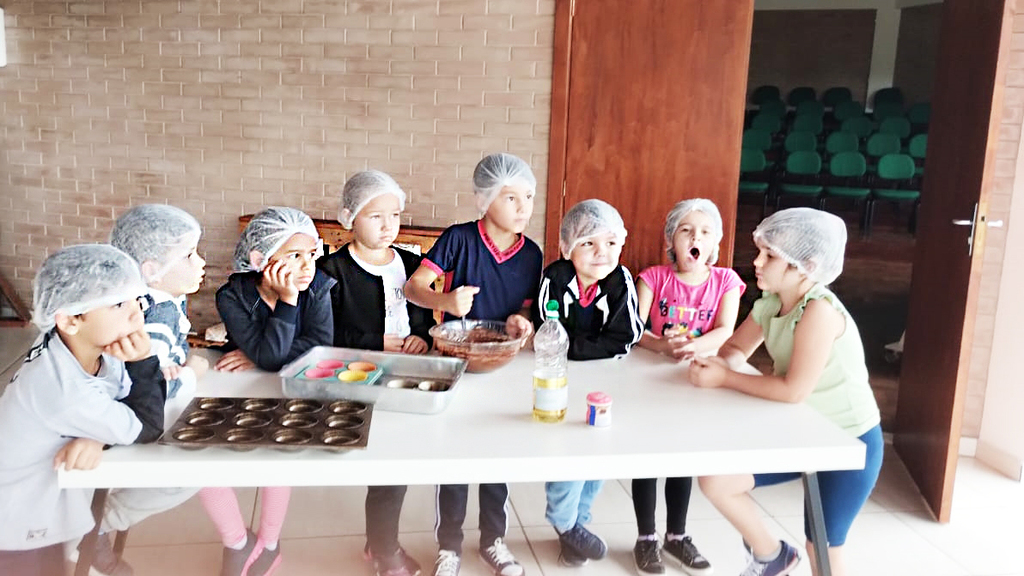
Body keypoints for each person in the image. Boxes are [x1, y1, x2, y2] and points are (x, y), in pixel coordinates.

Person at [689, 207, 883, 576]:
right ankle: (771, 556)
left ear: (805, 265)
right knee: (716, 480)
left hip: (849, 442)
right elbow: (734, 351)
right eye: (760, 251)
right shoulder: (772, 302)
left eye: (770, 256)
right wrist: (715, 365)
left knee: (822, 545)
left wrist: (725, 379)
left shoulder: (819, 312)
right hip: (802, 432)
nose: (756, 262)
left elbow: (793, 390)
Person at [404, 152, 542, 576]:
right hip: (455, 361)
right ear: (484, 200)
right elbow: (414, 287)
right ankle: (449, 546)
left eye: (529, 197)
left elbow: (529, 310)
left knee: (498, 454)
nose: (524, 208)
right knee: (455, 457)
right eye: (511, 198)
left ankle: (494, 541)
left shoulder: (531, 254)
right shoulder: (459, 239)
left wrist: (526, 322)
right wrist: (443, 300)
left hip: (502, 365)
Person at [0, 244, 169, 576]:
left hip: (35, 501)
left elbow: (118, 402)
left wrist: (97, 437)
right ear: (71, 320)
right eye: (119, 305)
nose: (137, 315)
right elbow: (147, 427)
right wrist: (144, 361)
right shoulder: (64, 392)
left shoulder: (75, 345)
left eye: (136, 299)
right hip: (15, 519)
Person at [205, 206, 337, 576]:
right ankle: (237, 541)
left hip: (291, 393)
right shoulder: (231, 297)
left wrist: (260, 352)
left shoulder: (318, 288)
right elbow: (278, 352)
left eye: (312, 254)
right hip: (239, 392)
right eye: (294, 256)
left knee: (278, 461)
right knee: (209, 464)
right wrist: (263, 353)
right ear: (261, 258)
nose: (308, 265)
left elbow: (318, 347)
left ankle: (270, 542)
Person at [318, 170, 434, 576]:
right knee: (387, 463)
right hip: (358, 377)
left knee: (397, 463)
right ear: (349, 217)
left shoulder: (414, 264)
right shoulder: (331, 270)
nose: (388, 227)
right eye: (375, 217)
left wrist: (420, 335)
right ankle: (384, 549)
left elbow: (421, 315)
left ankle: (381, 544)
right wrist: (376, 341)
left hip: (408, 372)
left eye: (395, 216)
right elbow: (325, 331)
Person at [631, 199, 743, 575]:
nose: (696, 237)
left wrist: (694, 347)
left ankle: (676, 535)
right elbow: (636, 330)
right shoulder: (652, 278)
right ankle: (646, 537)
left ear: (715, 243)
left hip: (696, 380)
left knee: (682, 458)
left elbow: (726, 330)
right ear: (671, 239)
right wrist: (662, 345)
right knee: (647, 458)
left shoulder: (726, 281)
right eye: (686, 230)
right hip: (651, 381)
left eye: (705, 232)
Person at [530, 199, 644, 568]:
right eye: (589, 243)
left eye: (611, 243)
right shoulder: (555, 276)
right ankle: (563, 521)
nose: (602, 253)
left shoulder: (620, 281)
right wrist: (578, 348)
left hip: (607, 381)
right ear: (569, 246)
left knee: (598, 455)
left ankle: (576, 527)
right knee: (565, 450)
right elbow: (546, 329)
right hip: (558, 378)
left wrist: (572, 347)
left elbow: (625, 337)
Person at [109, 204, 209, 400]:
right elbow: (149, 390)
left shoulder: (162, 298)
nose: (201, 262)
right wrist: (192, 374)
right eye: (189, 255)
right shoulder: (159, 315)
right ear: (151, 271)